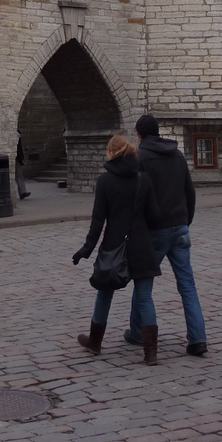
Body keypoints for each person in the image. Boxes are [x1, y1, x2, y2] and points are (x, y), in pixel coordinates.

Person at [72, 134, 163, 364]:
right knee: (144, 299)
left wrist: (86, 249)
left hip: (114, 245)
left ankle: (95, 342)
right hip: (141, 245)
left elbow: (98, 221)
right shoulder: (143, 179)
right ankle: (151, 353)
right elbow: (154, 215)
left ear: (111, 154)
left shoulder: (105, 182)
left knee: (104, 294)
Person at [126, 114, 208, 356]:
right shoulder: (177, 154)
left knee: (143, 284)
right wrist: (186, 220)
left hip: (155, 230)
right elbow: (189, 191)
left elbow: (136, 197)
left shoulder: (141, 158)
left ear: (139, 135)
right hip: (179, 227)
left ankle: (139, 333)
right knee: (187, 285)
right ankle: (198, 339)